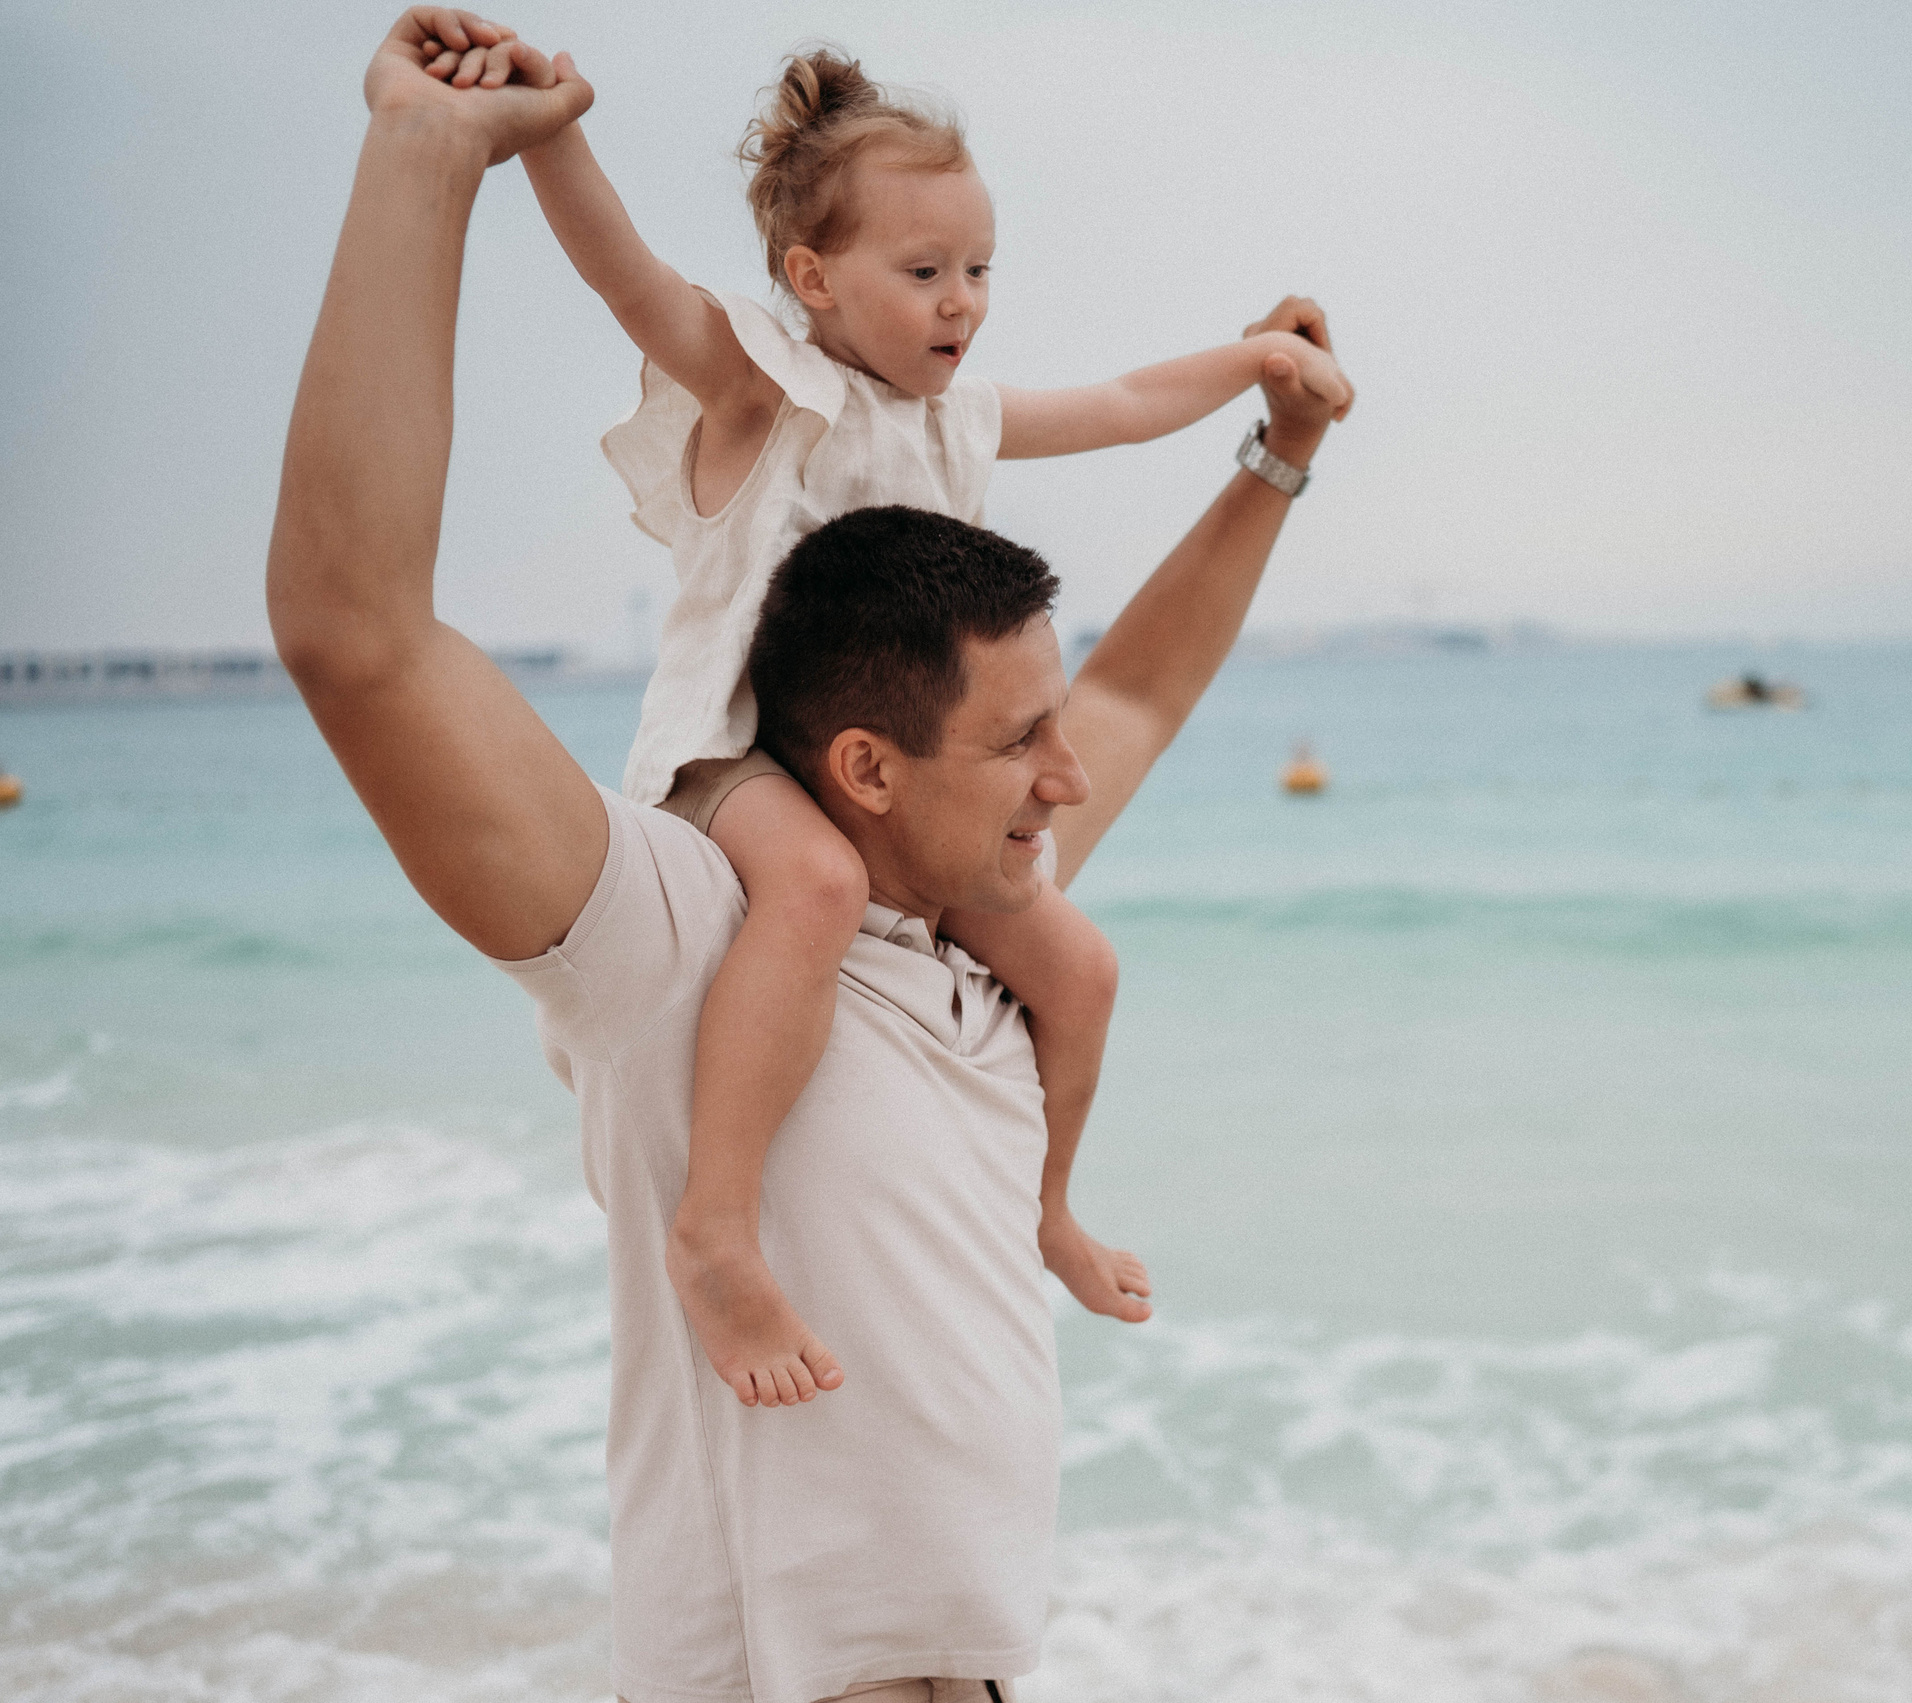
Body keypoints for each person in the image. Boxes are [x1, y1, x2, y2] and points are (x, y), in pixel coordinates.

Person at [266, 12, 1346, 1699]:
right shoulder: (683, 938)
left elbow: (1133, 686)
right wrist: (438, 156)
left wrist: (1278, 444)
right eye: (1019, 743)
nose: (1069, 782)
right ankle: (720, 1234)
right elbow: (361, 636)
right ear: (865, 764)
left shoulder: (980, 895)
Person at [465, 34, 1354, 1409]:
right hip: (739, 760)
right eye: (925, 273)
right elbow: (628, 283)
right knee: (815, 883)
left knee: (1083, 970)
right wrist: (546, 133)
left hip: (896, 785)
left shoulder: (959, 423)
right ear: (813, 278)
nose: (965, 306)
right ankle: (716, 1225)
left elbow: (1123, 408)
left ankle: (1048, 1208)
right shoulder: (772, 396)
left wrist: (1258, 364)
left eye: (980, 271)